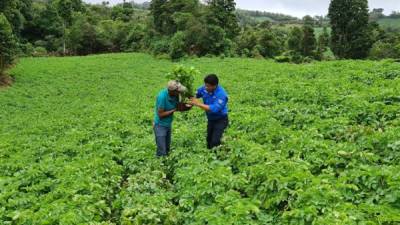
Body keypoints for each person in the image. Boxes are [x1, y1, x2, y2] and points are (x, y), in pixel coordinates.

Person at [189, 74, 229, 149]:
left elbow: (214, 109)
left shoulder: (221, 94)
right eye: (205, 85)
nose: (206, 87)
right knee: (209, 140)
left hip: (221, 120)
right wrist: (191, 100)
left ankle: (217, 157)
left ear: (215, 86)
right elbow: (195, 94)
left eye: (208, 86)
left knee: (215, 142)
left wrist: (198, 103)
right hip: (211, 119)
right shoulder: (204, 88)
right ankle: (210, 156)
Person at [154, 80, 186, 157]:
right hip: (160, 125)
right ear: (171, 91)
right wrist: (174, 110)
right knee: (162, 151)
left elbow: (180, 107)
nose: (179, 93)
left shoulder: (175, 95)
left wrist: (188, 105)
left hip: (168, 124)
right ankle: (160, 166)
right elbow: (160, 114)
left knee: (167, 148)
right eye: (177, 91)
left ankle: (165, 162)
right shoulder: (162, 96)